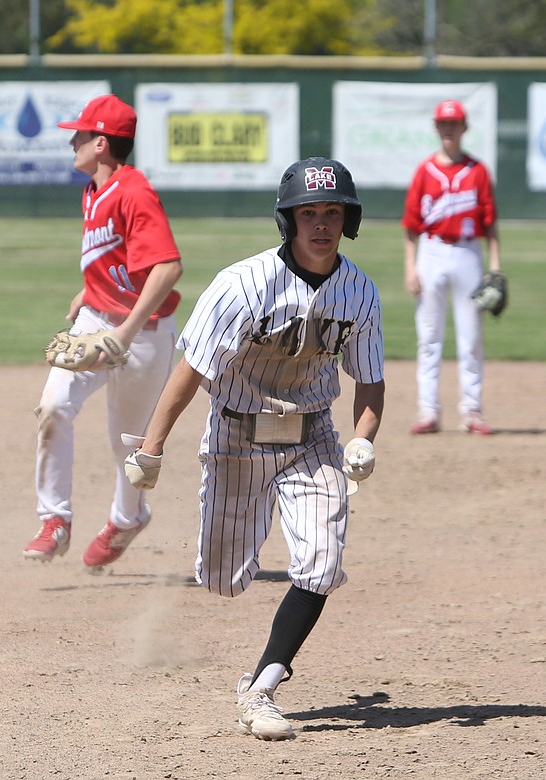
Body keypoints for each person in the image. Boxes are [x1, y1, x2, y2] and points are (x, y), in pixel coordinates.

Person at [122, 156, 384, 740]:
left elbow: (369, 383)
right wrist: (153, 446)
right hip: (238, 435)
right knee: (222, 580)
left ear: (349, 220)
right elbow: (192, 367)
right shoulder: (244, 284)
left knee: (321, 564)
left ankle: (261, 685)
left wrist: (363, 439)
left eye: (332, 212)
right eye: (308, 213)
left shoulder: (360, 293)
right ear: (287, 220)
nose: (320, 224)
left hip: (312, 435)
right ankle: (233, 561)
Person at [22, 93, 184, 568]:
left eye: (79, 134)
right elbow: (110, 261)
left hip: (145, 331)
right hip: (97, 320)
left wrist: (127, 332)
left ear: (101, 143)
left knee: (130, 446)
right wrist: (86, 293)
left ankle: (127, 518)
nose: (72, 141)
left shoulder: (134, 191)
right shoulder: (93, 191)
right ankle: (54, 518)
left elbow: (168, 268)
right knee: (53, 405)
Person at [402, 98, 502, 436]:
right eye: (443, 123)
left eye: (454, 123)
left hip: (468, 254)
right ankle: (428, 411)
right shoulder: (424, 171)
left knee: (471, 337)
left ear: (464, 127)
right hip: (431, 252)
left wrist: (495, 267)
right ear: (436, 127)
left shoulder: (478, 172)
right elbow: (412, 225)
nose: (448, 129)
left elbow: (490, 225)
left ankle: (472, 411)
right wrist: (410, 266)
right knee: (428, 337)